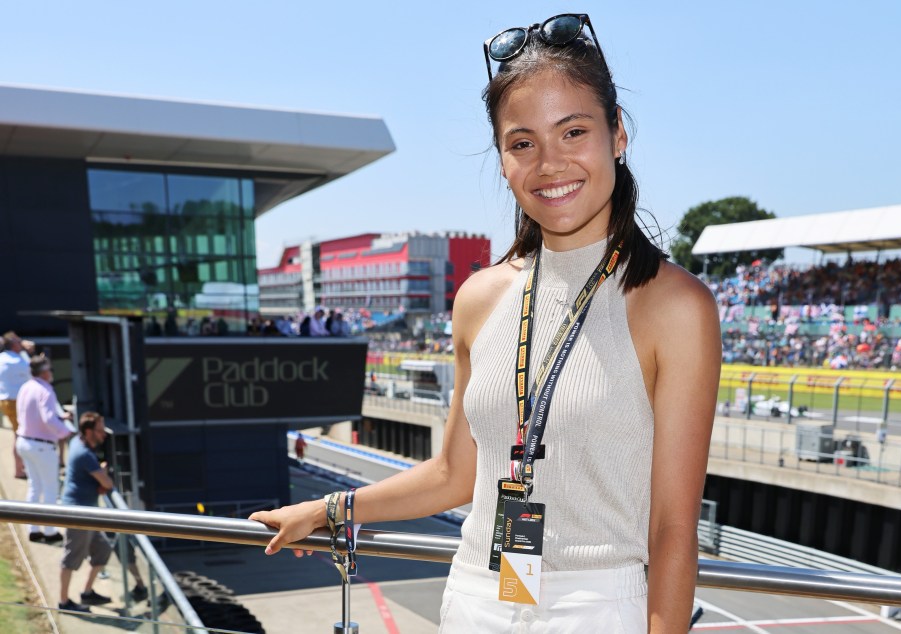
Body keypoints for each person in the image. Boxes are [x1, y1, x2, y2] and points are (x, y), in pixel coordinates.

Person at [251, 13, 720, 633]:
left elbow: (672, 527)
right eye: (522, 142)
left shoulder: (676, 306)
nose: (549, 164)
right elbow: (455, 474)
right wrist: (330, 508)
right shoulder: (477, 298)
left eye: (573, 131)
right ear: (502, 160)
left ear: (618, 135)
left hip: (599, 608)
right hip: (476, 595)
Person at [59, 412, 148, 613]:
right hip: (78, 515)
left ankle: (87, 593)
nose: (104, 435)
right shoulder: (85, 454)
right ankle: (64, 603)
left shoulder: (77, 443)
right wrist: (103, 473)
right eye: (100, 430)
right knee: (71, 559)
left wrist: (98, 475)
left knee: (103, 550)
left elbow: (96, 480)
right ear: (88, 431)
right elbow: (107, 483)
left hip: (88, 513)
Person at [16, 355, 75, 542]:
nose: (51, 373)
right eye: (50, 369)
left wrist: (60, 419)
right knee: (50, 489)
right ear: (44, 372)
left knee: (35, 486)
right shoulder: (46, 390)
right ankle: (50, 532)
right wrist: (65, 431)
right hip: (41, 445)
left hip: (25, 441)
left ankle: (33, 529)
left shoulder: (26, 387)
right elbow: (48, 418)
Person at [0, 331, 34, 478]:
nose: (22, 344)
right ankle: (19, 470)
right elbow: (35, 373)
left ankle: (21, 467)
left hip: (5, 401)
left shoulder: (2, 358)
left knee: (19, 435)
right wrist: (28, 352)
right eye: (19, 342)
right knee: (20, 436)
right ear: (14, 345)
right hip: (15, 402)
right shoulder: (19, 362)